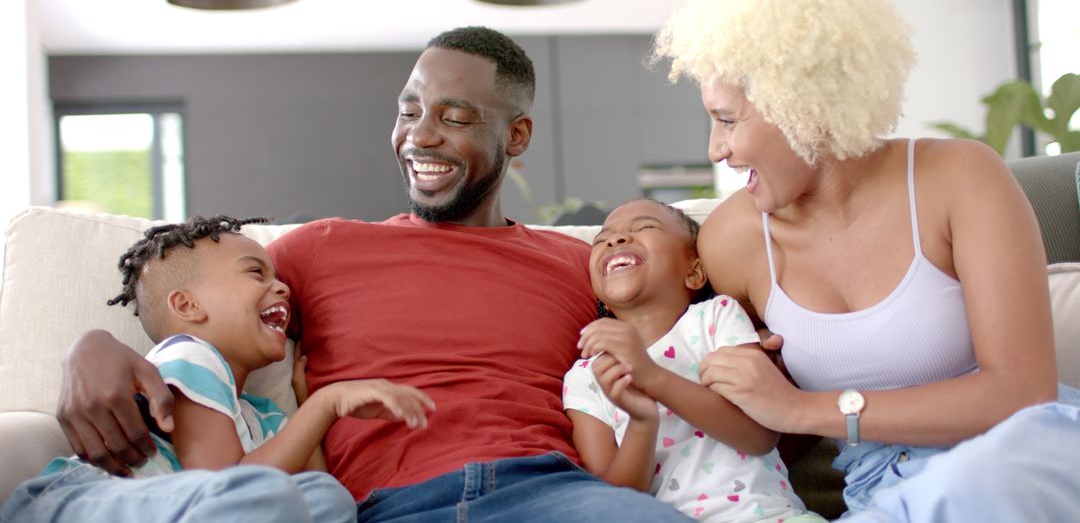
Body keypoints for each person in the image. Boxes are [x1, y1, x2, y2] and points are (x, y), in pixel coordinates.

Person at [51, 27, 691, 522]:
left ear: (516, 135)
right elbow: (198, 299)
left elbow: (690, 320)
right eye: (409, 111)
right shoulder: (320, 250)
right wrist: (91, 348)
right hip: (384, 507)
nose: (421, 136)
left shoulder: (580, 265)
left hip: (554, 495)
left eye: (454, 118)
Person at [651, 0, 1080, 521]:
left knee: (971, 484)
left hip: (1019, 457)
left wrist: (802, 408)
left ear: (802, 106)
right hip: (884, 490)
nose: (715, 149)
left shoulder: (961, 178)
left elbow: (1022, 392)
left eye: (727, 119)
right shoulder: (731, 241)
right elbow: (760, 433)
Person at [2, 215, 437, 523]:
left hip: (191, 507)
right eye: (256, 273)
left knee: (328, 500)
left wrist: (305, 405)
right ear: (188, 305)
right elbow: (223, 481)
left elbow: (318, 490)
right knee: (263, 493)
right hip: (84, 504)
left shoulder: (264, 416)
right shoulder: (189, 355)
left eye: (277, 277)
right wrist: (327, 402)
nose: (281, 287)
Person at [564, 198, 824, 522]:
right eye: (601, 240)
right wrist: (642, 423)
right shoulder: (587, 377)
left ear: (695, 271)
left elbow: (759, 436)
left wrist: (653, 377)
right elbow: (611, 501)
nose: (615, 240)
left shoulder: (716, 319)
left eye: (645, 227)